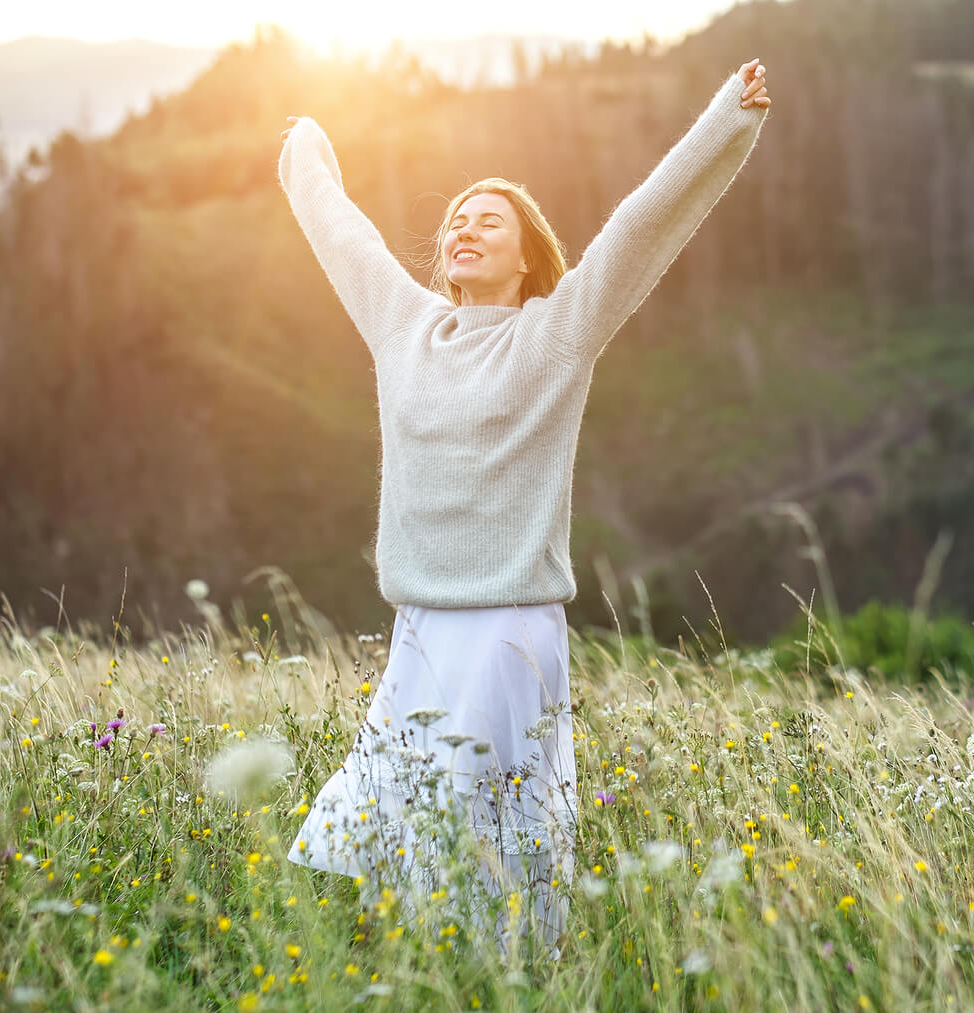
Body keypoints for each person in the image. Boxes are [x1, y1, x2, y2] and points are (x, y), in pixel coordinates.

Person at [277, 58, 772, 960]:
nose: (465, 228)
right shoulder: (406, 328)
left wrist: (726, 119)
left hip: (508, 629)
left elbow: (640, 227)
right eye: (457, 218)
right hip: (421, 629)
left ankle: (503, 1005)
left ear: (525, 253)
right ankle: (424, 1002)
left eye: (489, 219)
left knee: (477, 844)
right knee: (380, 827)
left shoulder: (558, 332)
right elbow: (342, 234)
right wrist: (302, 146)